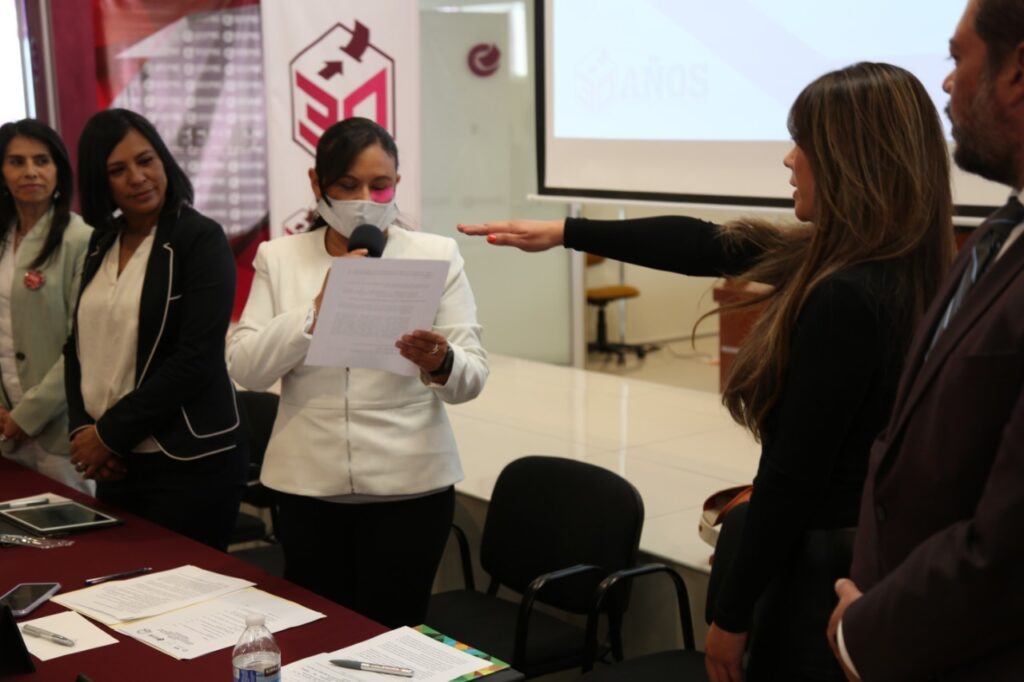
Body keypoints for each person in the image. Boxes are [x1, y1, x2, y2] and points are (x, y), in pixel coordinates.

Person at [460, 62, 953, 681]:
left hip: (813, 577)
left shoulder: (845, 294)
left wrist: (730, 615)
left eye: (802, 141)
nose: (787, 159)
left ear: (849, 158)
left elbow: (790, 481)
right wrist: (566, 230)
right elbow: (707, 244)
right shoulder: (906, 268)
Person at [827, 2, 1024, 679]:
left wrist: (866, 633)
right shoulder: (1000, 233)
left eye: (957, 59)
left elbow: (1007, 545)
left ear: (1017, 72)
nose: (946, 85)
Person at [227, 117, 488, 628]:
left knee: (395, 633)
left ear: (397, 182)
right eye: (347, 185)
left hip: (411, 486)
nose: (365, 198)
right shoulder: (280, 258)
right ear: (316, 184)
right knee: (320, 633)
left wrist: (440, 362)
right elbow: (246, 367)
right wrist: (311, 318)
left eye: (380, 184)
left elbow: (472, 376)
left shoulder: (435, 253)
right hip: (309, 486)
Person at [66, 108, 246, 550]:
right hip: (118, 461)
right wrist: (82, 433)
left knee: (184, 602)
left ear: (164, 160)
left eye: (146, 160)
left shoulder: (200, 238)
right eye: (117, 169)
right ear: (99, 180)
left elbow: (196, 358)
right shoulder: (100, 242)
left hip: (188, 461)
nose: (137, 177)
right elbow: (76, 347)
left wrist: (107, 435)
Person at [0, 119, 93, 494]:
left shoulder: (81, 238)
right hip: (7, 425)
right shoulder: (3, 237)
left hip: (61, 425)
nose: (31, 172)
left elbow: (83, 343)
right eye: (16, 162)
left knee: (75, 543)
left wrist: (28, 415)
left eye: (42, 160)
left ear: (59, 170)